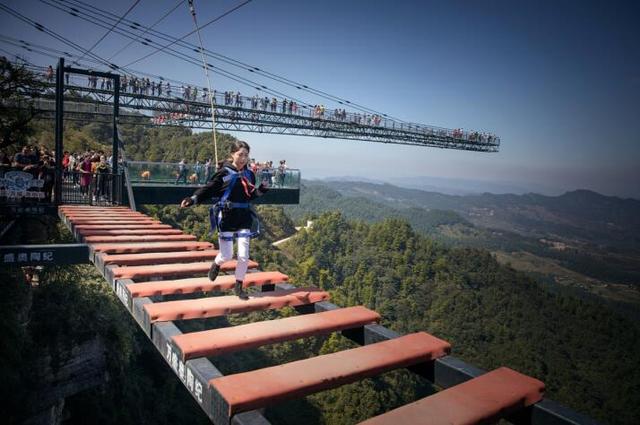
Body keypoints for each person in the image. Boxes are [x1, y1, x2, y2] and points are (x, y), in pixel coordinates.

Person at [180, 141, 269, 299]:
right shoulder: (224, 173)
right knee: (227, 255)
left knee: (243, 255)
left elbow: (250, 195)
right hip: (227, 216)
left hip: (243, 216)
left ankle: (238, 286)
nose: (243, 158)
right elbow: (209, 189)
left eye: (246, 155)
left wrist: (261, 190)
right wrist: (193, 199)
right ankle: (217, 263)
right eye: (240, 154)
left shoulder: (249, 174)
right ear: (232, 155)